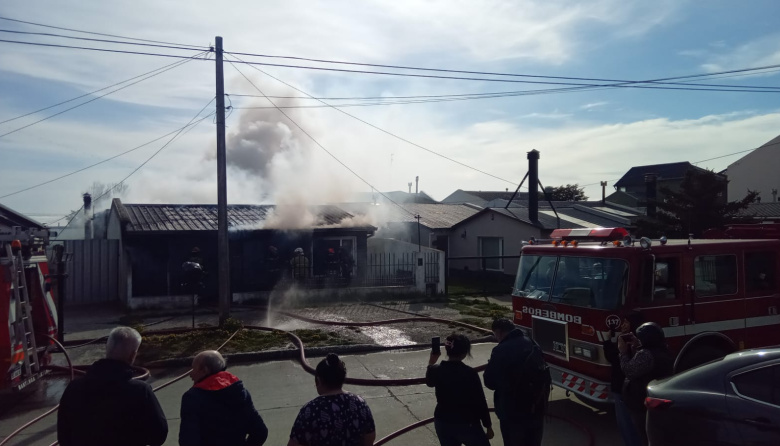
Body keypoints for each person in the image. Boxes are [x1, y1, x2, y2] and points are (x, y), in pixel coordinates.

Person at [57, 326, 168, 446]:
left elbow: (63, 434)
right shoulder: (140, 391)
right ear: (132, 355)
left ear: (107, 349)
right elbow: (159, 434)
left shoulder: (74, 388)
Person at [179, 350, 268, 446]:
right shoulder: (240, 391)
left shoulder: (193, 397)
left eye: (193, 368)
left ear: (205, 370)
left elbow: (188, 440)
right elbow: (260, 431)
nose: (190, 374)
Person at [483, 318, 550, 446]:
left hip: (512, 411)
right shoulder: (532, 343)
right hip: (535, 407)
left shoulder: (501, 350)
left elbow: (489, 382)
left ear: (499, 332)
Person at [288, 353, 375, 446]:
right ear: (342, 378)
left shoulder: (310, 410)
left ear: (319, 380)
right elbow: (370, 438)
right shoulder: (360, 403)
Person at [426, 333, 493, 446]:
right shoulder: (469, 373)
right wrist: (488, 426)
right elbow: (480, 401)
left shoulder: (436, 370)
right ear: (465, 353)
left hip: (442, 420)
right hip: (467, 422)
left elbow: (429, 382)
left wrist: (431, 362)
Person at [619, 322, 674, 446]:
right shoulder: (663, 349)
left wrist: (623, 352)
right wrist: (636, 347)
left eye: (640, 338)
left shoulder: (646, 355)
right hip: (652, 402)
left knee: (645, 436)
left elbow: (629, 370)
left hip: (641, 404)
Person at [603, 311, 646, 446]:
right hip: (630, 389)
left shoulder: (628, 341)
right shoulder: (639, 340)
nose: (623, 325)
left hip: (622, 388)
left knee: (626, 424)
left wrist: (607, 341)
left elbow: (614, 359)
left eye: (626, 322)